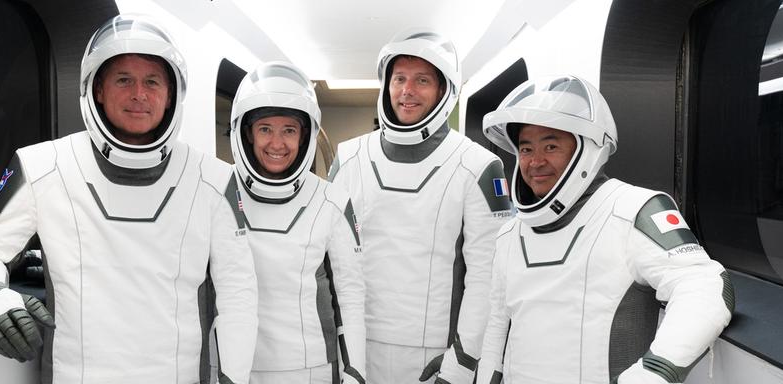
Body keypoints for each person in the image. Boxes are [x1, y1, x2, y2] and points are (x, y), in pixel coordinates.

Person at [0, 15, 258, 384]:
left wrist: (234, 377)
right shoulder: (41, 166)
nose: (139, 94)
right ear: (96, 88)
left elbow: (239, 293)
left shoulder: (215, 179)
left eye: (152, 82)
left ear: (172, 94)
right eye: (123, 80)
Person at [476, 75, 734, 384]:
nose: (535, 162)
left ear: (588, 149)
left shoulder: (634, 209)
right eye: (526, 149)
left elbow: (706, 286)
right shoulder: (509, 234)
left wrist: (654, 373)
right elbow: (497, 323)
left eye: (551, 145)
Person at [328, 30, 512, 384]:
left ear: (445, 90)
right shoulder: (348, 157)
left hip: (436, 356)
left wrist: (462, 360)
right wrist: (344, 357)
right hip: (359, 348)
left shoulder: (478, 166)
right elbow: (332, 261)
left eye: (422, 80)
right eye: (399, 79)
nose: (407, 90)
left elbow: (488, 276)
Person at [228, 61, 366, 384]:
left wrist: (356, 371)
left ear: (306, 136)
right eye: (265, 129)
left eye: (289, 130)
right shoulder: (218, 191)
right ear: (247, 133)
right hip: (235, 369)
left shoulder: (333, 200)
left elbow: (350, 295)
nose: (277, 144)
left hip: (311, 369)